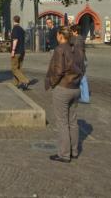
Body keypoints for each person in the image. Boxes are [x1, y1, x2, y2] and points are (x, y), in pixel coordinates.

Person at [45, 26, 84, 163]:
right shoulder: (77, 48)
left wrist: (52, 82)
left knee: (62, 122)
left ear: (60, 35)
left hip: (63, 88)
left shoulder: (60, 49)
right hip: (75, 88)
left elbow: (59, 70)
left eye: (57, 34)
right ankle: (74, 151)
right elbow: (83, 67)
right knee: (73, 121)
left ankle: (64, 154)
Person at [70, 24, 89, 103]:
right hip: (83, 59)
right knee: (82, 78)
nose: (71, 32)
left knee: (80, 79)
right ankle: (84, 97)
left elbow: (71, 47)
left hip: (79, 60)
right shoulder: (81, 38)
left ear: (75, 31)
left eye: (72, 31)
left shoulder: (75, 39)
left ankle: (83, 98)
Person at [10, 16, 30, 90]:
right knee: (19, 68)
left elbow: (15, 40)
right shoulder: (21, 29)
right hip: (22, 51)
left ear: (13, 21)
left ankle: (25, 80)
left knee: (14, 68)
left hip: (17, 51)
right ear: (19, 20)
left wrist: (13, 50)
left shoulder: (15, 29)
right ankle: (16, 83)